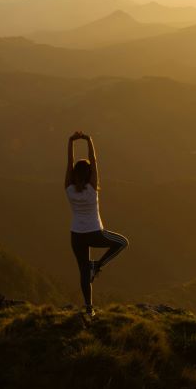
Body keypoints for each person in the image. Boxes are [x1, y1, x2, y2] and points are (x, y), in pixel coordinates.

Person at [65, 131, 129, 318]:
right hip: (94, 232)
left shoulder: (68, 189)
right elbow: (94, 161)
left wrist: (70, 142)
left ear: (75, 174)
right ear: (89, 174)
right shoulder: (92, 189)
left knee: (83, 271)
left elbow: (69, 164)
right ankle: (98, 265)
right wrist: (88, 140)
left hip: (76, 236)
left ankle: (88, 308)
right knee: (122, 242)